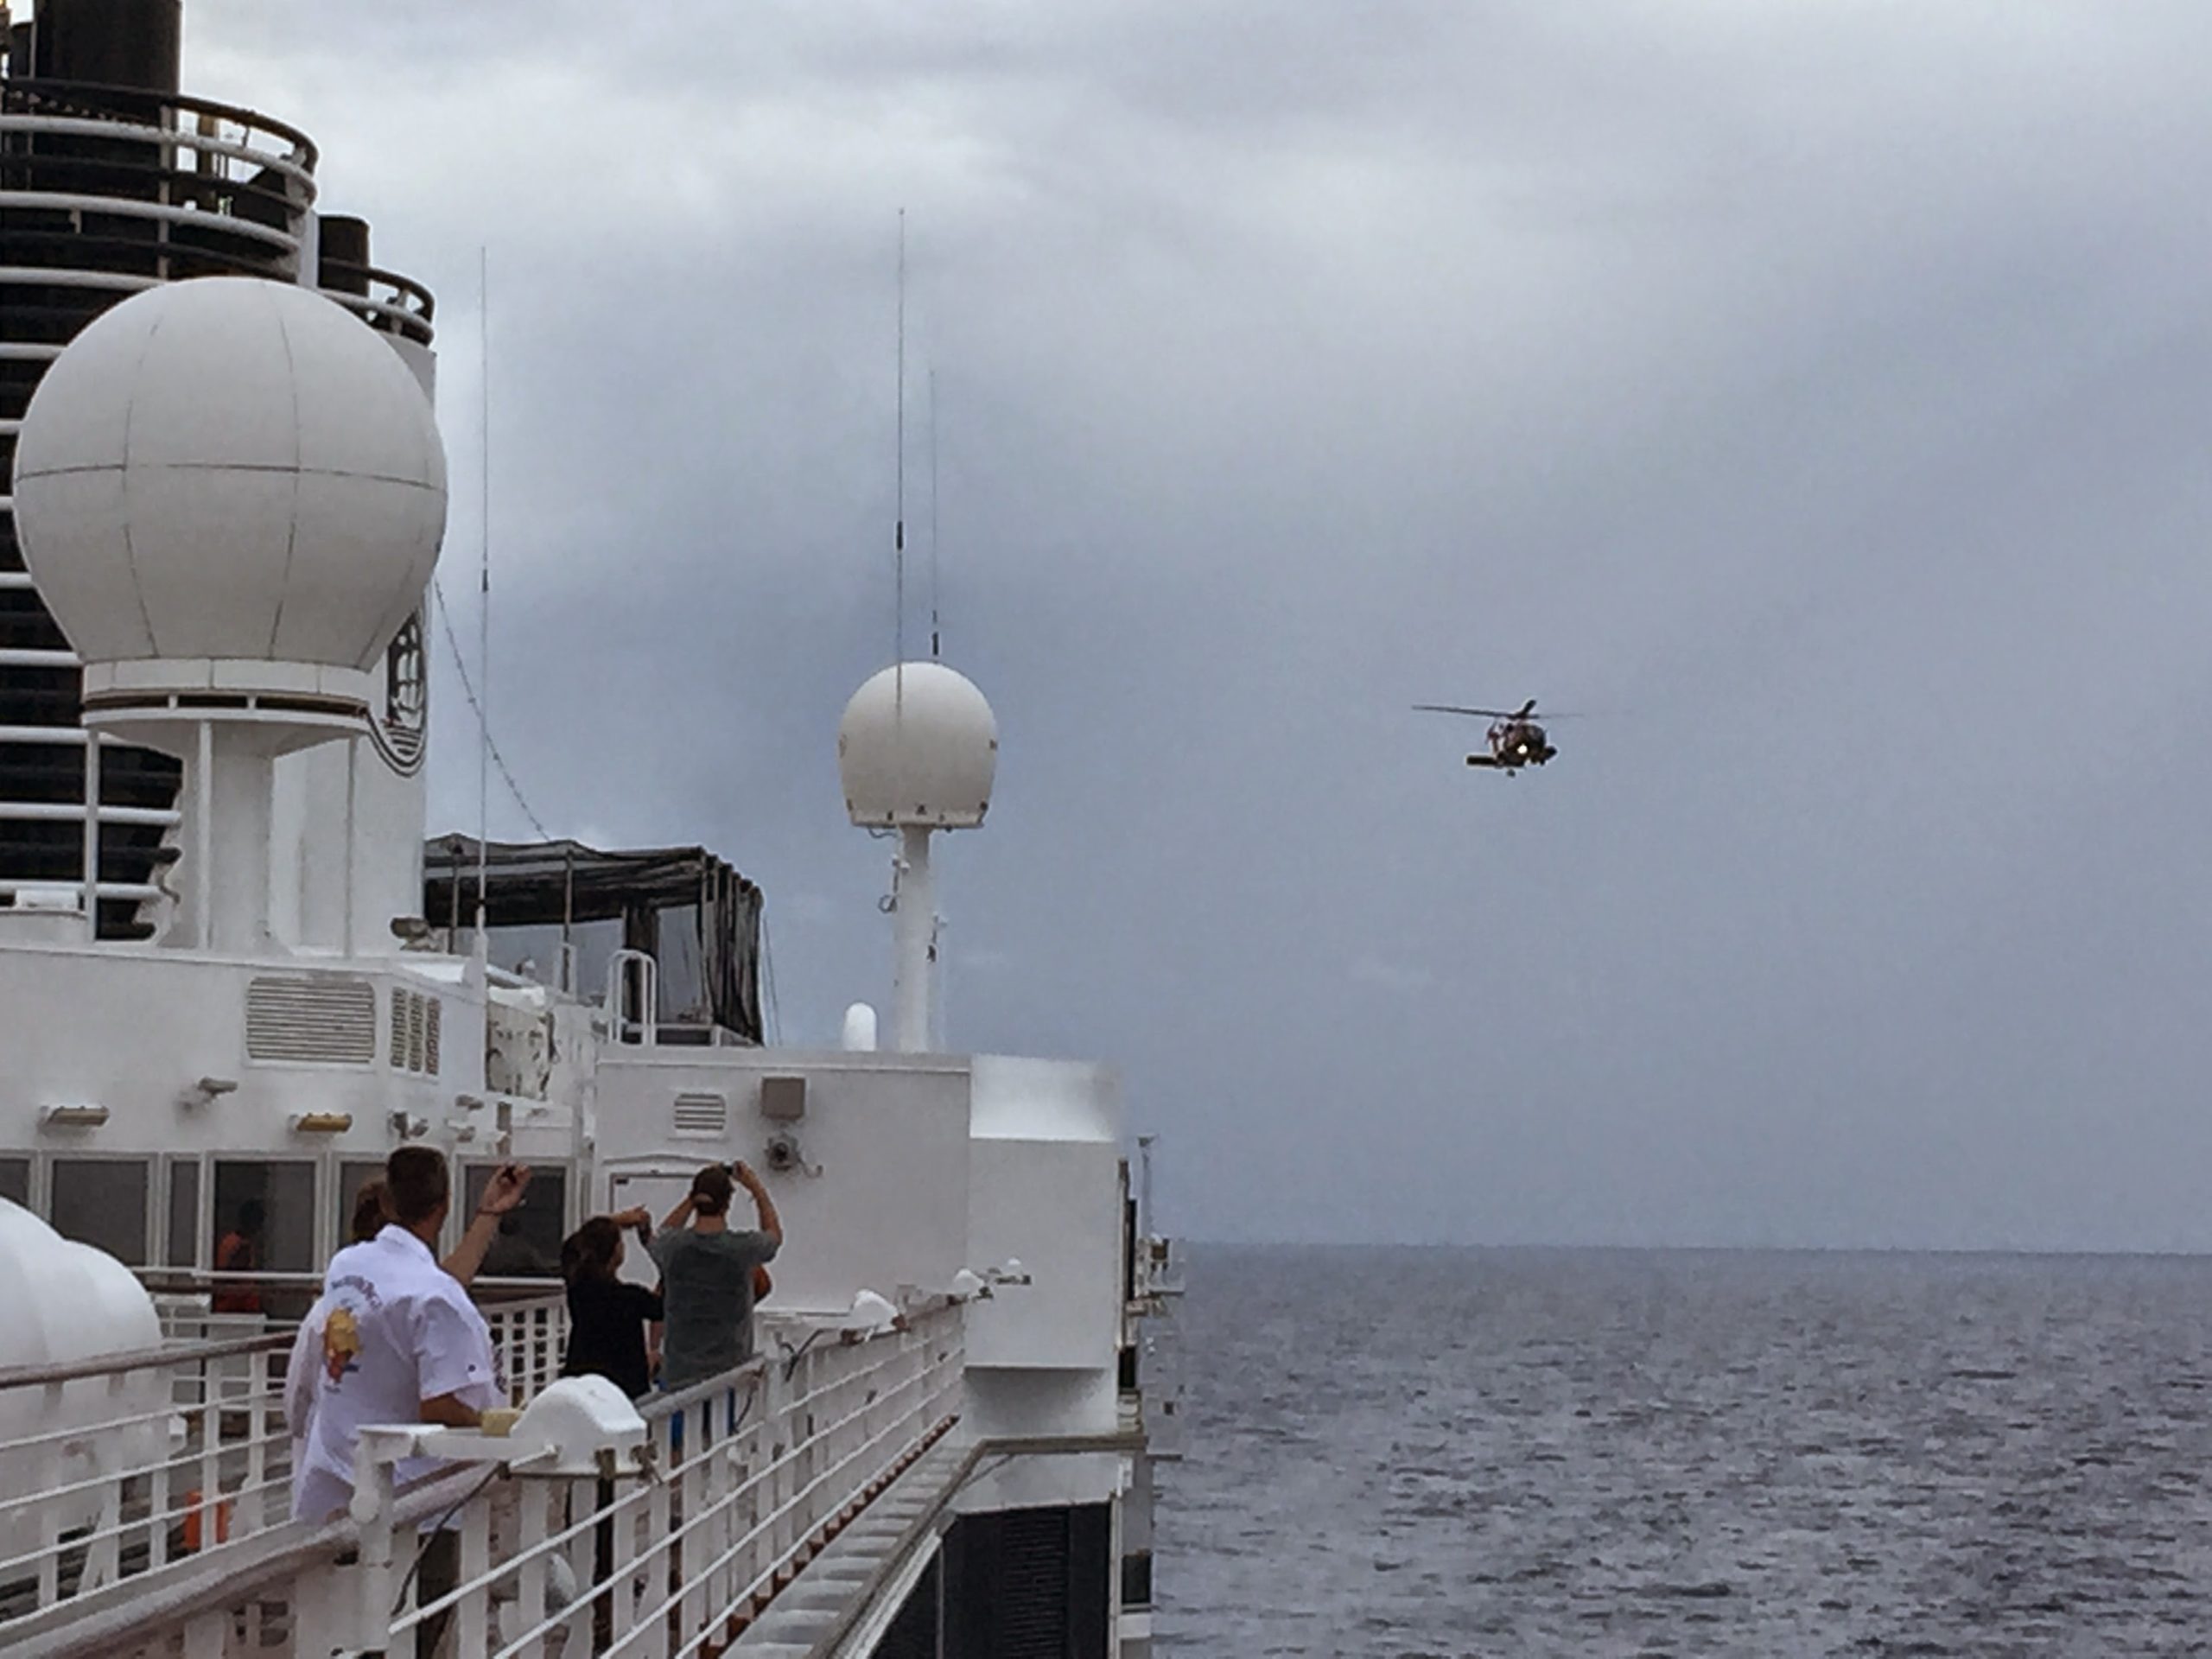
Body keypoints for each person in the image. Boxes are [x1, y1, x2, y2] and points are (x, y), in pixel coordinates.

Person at [295, 1149, 531, 1658]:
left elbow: (427, 1288)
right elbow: (440, 1405)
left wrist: (488, 1217)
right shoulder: (430, 1296)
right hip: (412, 1499)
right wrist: (492, 1424)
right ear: (443, 1205)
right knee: (414, 1629)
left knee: (344, 1629)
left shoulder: (349, 1265)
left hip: (337, 1478)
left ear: (387, 1198)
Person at [651, 1162, 781, 1391]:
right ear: (727, 1203)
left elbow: (662, 1233)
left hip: (678, 1378)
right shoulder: (741, 1249)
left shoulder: (673, 1247)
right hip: (729, 1377)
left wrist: (692, 1198)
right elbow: (773, 1237)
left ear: (696, 1199)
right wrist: (757, 1189)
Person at [559, 1208, 664, 1400]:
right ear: (616, 1252)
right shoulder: (632, 1297)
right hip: (625, 1387)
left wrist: (619, 1221)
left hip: (582, 1381)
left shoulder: (579, 1288)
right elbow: (663, 1307)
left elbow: (574, 1243)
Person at [212, 1198, 266, 1313]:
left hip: (243, 1303)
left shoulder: (241, 1242)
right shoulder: (236, 1245)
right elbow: (236, 1276)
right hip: (235, 1306)